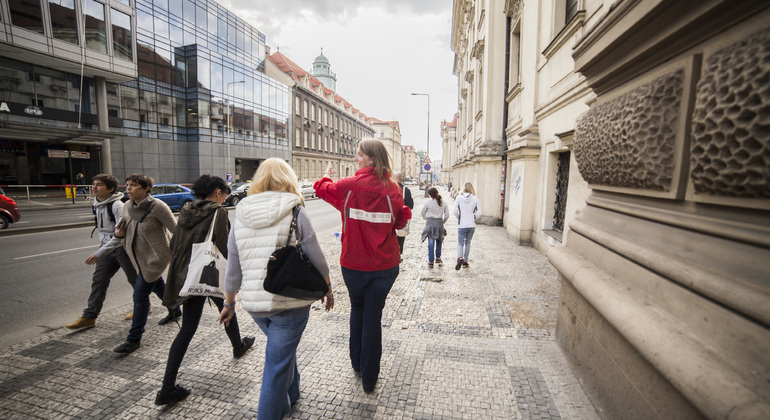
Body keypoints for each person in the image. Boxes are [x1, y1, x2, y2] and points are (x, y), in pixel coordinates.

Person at [219, 158, 334, 420]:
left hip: (256, 306)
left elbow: (233, 267)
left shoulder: (240, 215)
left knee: (281, 353)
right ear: (288, 179)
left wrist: (229, 303)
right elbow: (317, 259)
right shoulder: (296, 211)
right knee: (275, 366)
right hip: (291, 304)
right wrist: (328, 289)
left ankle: (291, 395)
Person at [314, 139, 411, 393]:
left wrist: (326, 174)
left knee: (357, 309)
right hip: (385, 267)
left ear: (371, 159)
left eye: (359, 155)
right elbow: (401, 221)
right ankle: (369, 378)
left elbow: (321, 188)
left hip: (354, 266)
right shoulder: (393, 189)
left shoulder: (349, 186)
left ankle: (357, 363)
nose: (355, 159)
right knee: (373, 317)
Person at [156, 175, 255, 406]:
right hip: (210, 274)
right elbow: (225, 247)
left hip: (189, 275)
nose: (225, 199)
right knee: (227, 305)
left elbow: (174, 244)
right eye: (225, 195)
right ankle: (237, 347)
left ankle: (167, 387)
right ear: (218, 192)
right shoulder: (217, 212)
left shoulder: (186, 210)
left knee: (189, 328)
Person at [112, 173, 181, 354]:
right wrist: (118, 234)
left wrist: (181, 253)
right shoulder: (127, 206)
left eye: (134, 185)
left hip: (156, 258)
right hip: (137, 258)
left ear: (146, 189)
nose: (128, 188)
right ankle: (175, 309)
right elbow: (122, 227)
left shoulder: (158, 206)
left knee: (140, 295)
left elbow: (176, 231)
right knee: (158, 285)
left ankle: (134, 339)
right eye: (127, 184)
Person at [65, 174, 142, 330]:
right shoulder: (97, 203)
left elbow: (121, 234)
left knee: (135, 281)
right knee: (99, 281)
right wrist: (103, 247)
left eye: (99, 185)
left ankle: (146, 307)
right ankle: (89, 317)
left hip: (122, 249)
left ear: (110, 189)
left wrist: (99, 253)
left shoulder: (117, 206)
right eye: (93, 184)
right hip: (107, 248)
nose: (94, 187)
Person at [453, 182, 481, 270]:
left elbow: (454, 211)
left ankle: (459, 257)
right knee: (468, 242)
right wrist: (474, 217)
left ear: (463, 188)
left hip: (462, 224)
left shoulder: (459, 197)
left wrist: (459, 217)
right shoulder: (475, 198)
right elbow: (480, 212)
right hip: (471, 224)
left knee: (460, 242)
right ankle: (465, 261)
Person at [421, 187, 449, 268]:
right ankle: (438, 258)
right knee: (439, 240)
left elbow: (422, 212)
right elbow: (447, 215)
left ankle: (430, 261)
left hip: (430, 223)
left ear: (430, 195)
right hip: (439, 223)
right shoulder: (443, 203)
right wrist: (443, 222)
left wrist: (426, 218)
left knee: (431, 242)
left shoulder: (428, 203)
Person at [393, 172, 413, 259]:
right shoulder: (405, 190)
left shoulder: (387, 188)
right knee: (401, 237)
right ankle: (399, 254)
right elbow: (410, 205)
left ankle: (391, 253)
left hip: (390, 218)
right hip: (401, 218)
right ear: (401, 179)